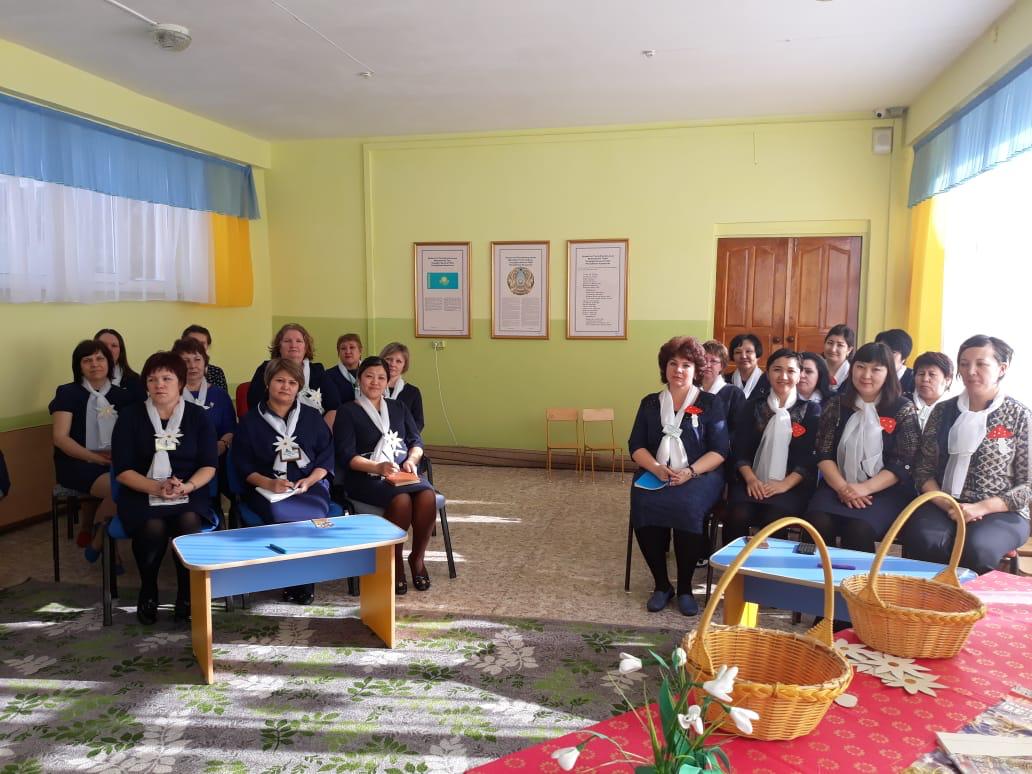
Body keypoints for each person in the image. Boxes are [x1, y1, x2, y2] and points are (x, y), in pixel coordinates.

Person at [904, 336, 1031, 574]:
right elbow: (922, 470)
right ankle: (925, 599)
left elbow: (1028, 485)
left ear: (1002, 369)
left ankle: (971, 600)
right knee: (925, 541)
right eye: (964, 364)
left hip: (1001, 510)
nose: (970, 371)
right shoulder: (943, 411)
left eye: (981, 364)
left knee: (977, 549)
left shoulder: (1019, 416)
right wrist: (948, 504)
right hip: (943, 502)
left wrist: (981, 507)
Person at [111, 351, 217, 624]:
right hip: (141, 492)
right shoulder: (130, 416)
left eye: (167, 378)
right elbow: (122, 470)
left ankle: (187, 592)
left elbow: (209, 465)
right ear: (146, 384)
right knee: (153, 527)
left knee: (188, 520)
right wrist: (156, 488)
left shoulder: (198, 416)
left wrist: (188, 486)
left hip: (188, 492)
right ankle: (148, 589)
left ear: (180, 382)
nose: (159, 384)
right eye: (152, 379)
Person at [628, 336, 729, 616]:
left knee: (686, 505)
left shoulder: (710, 403)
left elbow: (720, 450)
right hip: (657, 471)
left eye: (686, 365)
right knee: (643, 502)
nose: (679, 370)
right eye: (673, 363)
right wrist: (656, 468)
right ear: (665, 368)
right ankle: (662, 585)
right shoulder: (650, 403)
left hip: (699, 474)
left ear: (696, 370)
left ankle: (685, 588)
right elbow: (636, 446)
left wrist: (690, 471)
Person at [233, 358, 333, 605]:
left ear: (299, 386)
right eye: (279, 381)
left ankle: (302, 581)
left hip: (308, 485)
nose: (286, 387)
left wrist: (310, 480)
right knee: (280, 513)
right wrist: (269, 484)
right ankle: (293, 579)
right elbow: (242, 465)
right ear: (268, 383)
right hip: (266, 488)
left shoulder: (311, 417)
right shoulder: (250, 421)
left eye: (292, 382)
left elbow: (327, 455)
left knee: (311, 514)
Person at [334, 356, 437, 595]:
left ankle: (417, 558)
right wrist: (377, 468)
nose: (375, 382)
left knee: (427, 496)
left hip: (401, 472)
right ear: (359, 380)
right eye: (369, 376)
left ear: (387, 381)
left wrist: (411, 460)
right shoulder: (347, 411)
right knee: (401, 501)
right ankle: (395, 561)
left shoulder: (398, 407)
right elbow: (346, 456)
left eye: (381, 377)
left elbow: (416, 442)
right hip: (365, 476)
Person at [804, 342, 920, 552]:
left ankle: (857, 575)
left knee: (858, 529)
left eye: (876, 369)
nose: (866, 375)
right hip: (837, 484)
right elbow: (823, 453)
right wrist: (844, 488)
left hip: (884, 490)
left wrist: (863, 489)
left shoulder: (903, 408)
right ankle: (818, 573)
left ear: (888, 373)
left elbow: (902, 463)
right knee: (817, 522)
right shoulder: (837, 404)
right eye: (860, 367)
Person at [722, 349, 822, 544]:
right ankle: (735, 564)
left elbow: (809, 458)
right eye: (777, 370)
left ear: (799, 375)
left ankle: (772, 564)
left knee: (775, 518)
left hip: (792, 486)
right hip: (750, 481)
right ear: (767, 374)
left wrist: (784, 484)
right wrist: (752, 480)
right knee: (738, 514)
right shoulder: (752, 406)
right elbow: (739, 448)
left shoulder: (811, 410)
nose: (783, 376)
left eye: (790, 371)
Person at [50, 340, 135, 560]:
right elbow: (60, 438)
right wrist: (95, 458)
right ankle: (109, 549)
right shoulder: (68, 393)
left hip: (115, 461)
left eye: (100, 358)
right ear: (78, 366)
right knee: (123, 489)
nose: (94, 364)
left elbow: (131, 436)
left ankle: (99, 539)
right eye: (87, 360)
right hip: (77, 463)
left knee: (132, 486)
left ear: (109, 363)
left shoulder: (123, 396)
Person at [172, 338, 236, 499]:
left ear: (205, 363)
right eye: (185, 361)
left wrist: (223, 444)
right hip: (178, 459)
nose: (192, 365)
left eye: (197, 359)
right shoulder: (169, 395)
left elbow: (230, 429)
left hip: (214, 457)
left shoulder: (220, 395)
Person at [247, 323, 341, 428]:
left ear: (306, 347)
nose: (293, 345)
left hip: (315, 430)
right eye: (287, 341)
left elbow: (334, 407)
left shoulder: (318, 371)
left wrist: (321, 433)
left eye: (299, 341)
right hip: (273, 430)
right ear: (279, 347)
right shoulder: (266, 369)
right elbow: (255, 405)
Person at [379, 341, 425, 432]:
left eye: (398, 361)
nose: (393, 364)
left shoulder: (413, 392)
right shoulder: (372, 388)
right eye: (388, 359)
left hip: (403, 439)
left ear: (404, 365)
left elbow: (419, 422)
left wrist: (403, 437)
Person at [94, 328, 146, 401]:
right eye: (103, 345)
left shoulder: (135, 381)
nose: (109, 349)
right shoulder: (83, 380)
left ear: (120, 352)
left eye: (114, 345)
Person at [911, 351, 954, 431]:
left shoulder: (955, 409)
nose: (925, 379)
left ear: (948, 380)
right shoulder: (902, 405)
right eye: (921, 374)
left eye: (932, 374)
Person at [182, 324, 229, 392]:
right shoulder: (173, 371)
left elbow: (222, 397)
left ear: (208, 346)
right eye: (192, 342)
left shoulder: (216, 373)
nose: (197, 346)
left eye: (202, 343)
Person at [876, 328, 916, 397]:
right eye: (882, 351)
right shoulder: (871, 376)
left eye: (892, 352)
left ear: (904, 357)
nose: (885, 356)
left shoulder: (914, 381)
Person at [728, 333, 770, 399]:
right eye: (738, 352)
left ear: (757, 354)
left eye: (748, 351)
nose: (743, 356)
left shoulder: (768, 382)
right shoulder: (725, 381)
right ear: (733, 356)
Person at [327, 333, 363, 404]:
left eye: (352, 347)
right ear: (338, 352)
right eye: (343, 348)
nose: (348, 352)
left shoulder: (370, 372)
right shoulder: (329, 376)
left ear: (360, 351)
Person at [823, 324, 856, 393]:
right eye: (830, 343)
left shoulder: (853, 374)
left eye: (840, 345)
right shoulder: (815, 368)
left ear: (849, 350)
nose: (833, 349)